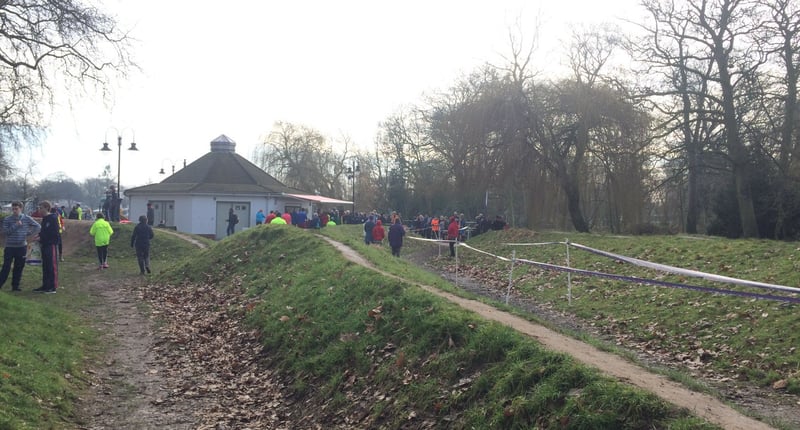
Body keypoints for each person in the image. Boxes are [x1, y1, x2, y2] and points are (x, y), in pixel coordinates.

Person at [0, 201, 41, 291]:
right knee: (6, 267)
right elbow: (6, 232)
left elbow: (38, 226)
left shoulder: (26, 218)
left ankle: (15, 286)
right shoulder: (7, 219)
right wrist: (16, 225)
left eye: (16, 209)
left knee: (19, 267)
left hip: (21, 247)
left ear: (21, 209)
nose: (14, 211)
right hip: (10, 247)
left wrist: (29, 233)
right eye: (13, 209)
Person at [34, 201, 60, 293]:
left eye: (41, 208)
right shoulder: (44, 219)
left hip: (51, 245)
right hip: (44, 244)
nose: (39, 209)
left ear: (46, 208)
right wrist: (39, 235)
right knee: (45, 266)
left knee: (51, 266)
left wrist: (42, 237)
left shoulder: (53, 218)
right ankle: (45, 285)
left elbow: (54, 233)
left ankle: (53, 287)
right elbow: (44, 230)